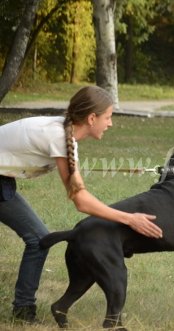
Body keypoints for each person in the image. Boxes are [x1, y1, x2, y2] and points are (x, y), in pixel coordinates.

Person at [0, 86, 163, 324]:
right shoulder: (58, 136)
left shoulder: (63, 134)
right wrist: (129, 218)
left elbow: (77, 187)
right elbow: (81, 201)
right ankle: (23, 312)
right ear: (91, 118)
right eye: (108, 117)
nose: (111, 123)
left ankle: (23, 310)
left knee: (39, 238)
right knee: (38, 238)